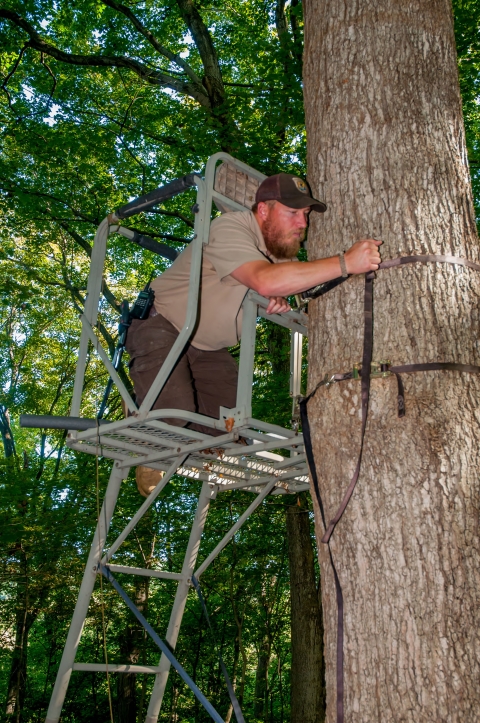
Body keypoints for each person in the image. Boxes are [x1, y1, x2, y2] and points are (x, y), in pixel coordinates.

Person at [125, 172, 381, 495]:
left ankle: (165, 422)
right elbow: (265, 279)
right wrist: (346, 263)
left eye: (305, 214)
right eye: (292, 212)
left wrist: (275, 293)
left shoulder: (276, 253)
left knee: (230, 430)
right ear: (263, 210)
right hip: (162, 327)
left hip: (207, 347)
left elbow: (271, 281)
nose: (302, 223)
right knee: (174, 412)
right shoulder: (229, 227)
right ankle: (148, 428)